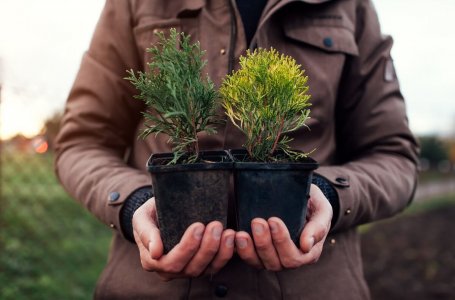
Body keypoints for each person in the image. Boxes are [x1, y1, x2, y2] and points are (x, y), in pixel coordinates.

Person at [55, 0, 419, 299]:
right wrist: (134, 203)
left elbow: (394, 155)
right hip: (150, 289)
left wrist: (325, 194)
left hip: (314, 287)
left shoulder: (350, 7)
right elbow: (81, 141)